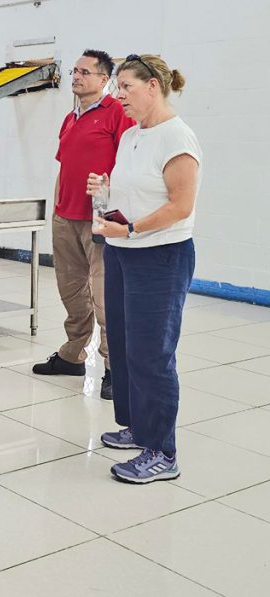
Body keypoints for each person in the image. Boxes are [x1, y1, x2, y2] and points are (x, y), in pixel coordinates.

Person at [91, 54, 200, 483]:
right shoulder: (134, 135)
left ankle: (162, 452)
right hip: (124, 252)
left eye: (127, 88)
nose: (119, 97)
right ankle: (139, 428)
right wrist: (105, 190)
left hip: (161, 256)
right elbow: (133, 189)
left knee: (153, 353)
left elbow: (180, 205)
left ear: (153, 86)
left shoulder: (178, 138)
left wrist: (132, 227)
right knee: (124, 344)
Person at [33, 49, 134, 401]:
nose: (75, 76)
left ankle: (113, 368)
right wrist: (57, 208)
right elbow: (65, 166)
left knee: (105, 296)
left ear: (103, 80)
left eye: (84, 72)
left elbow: (130, 163)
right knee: (71, 289)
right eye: (74, 70)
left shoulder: (117, 113)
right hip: (66, 217)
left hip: (100, 219)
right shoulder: (70, 117)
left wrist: (113, 202)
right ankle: (73, 354)